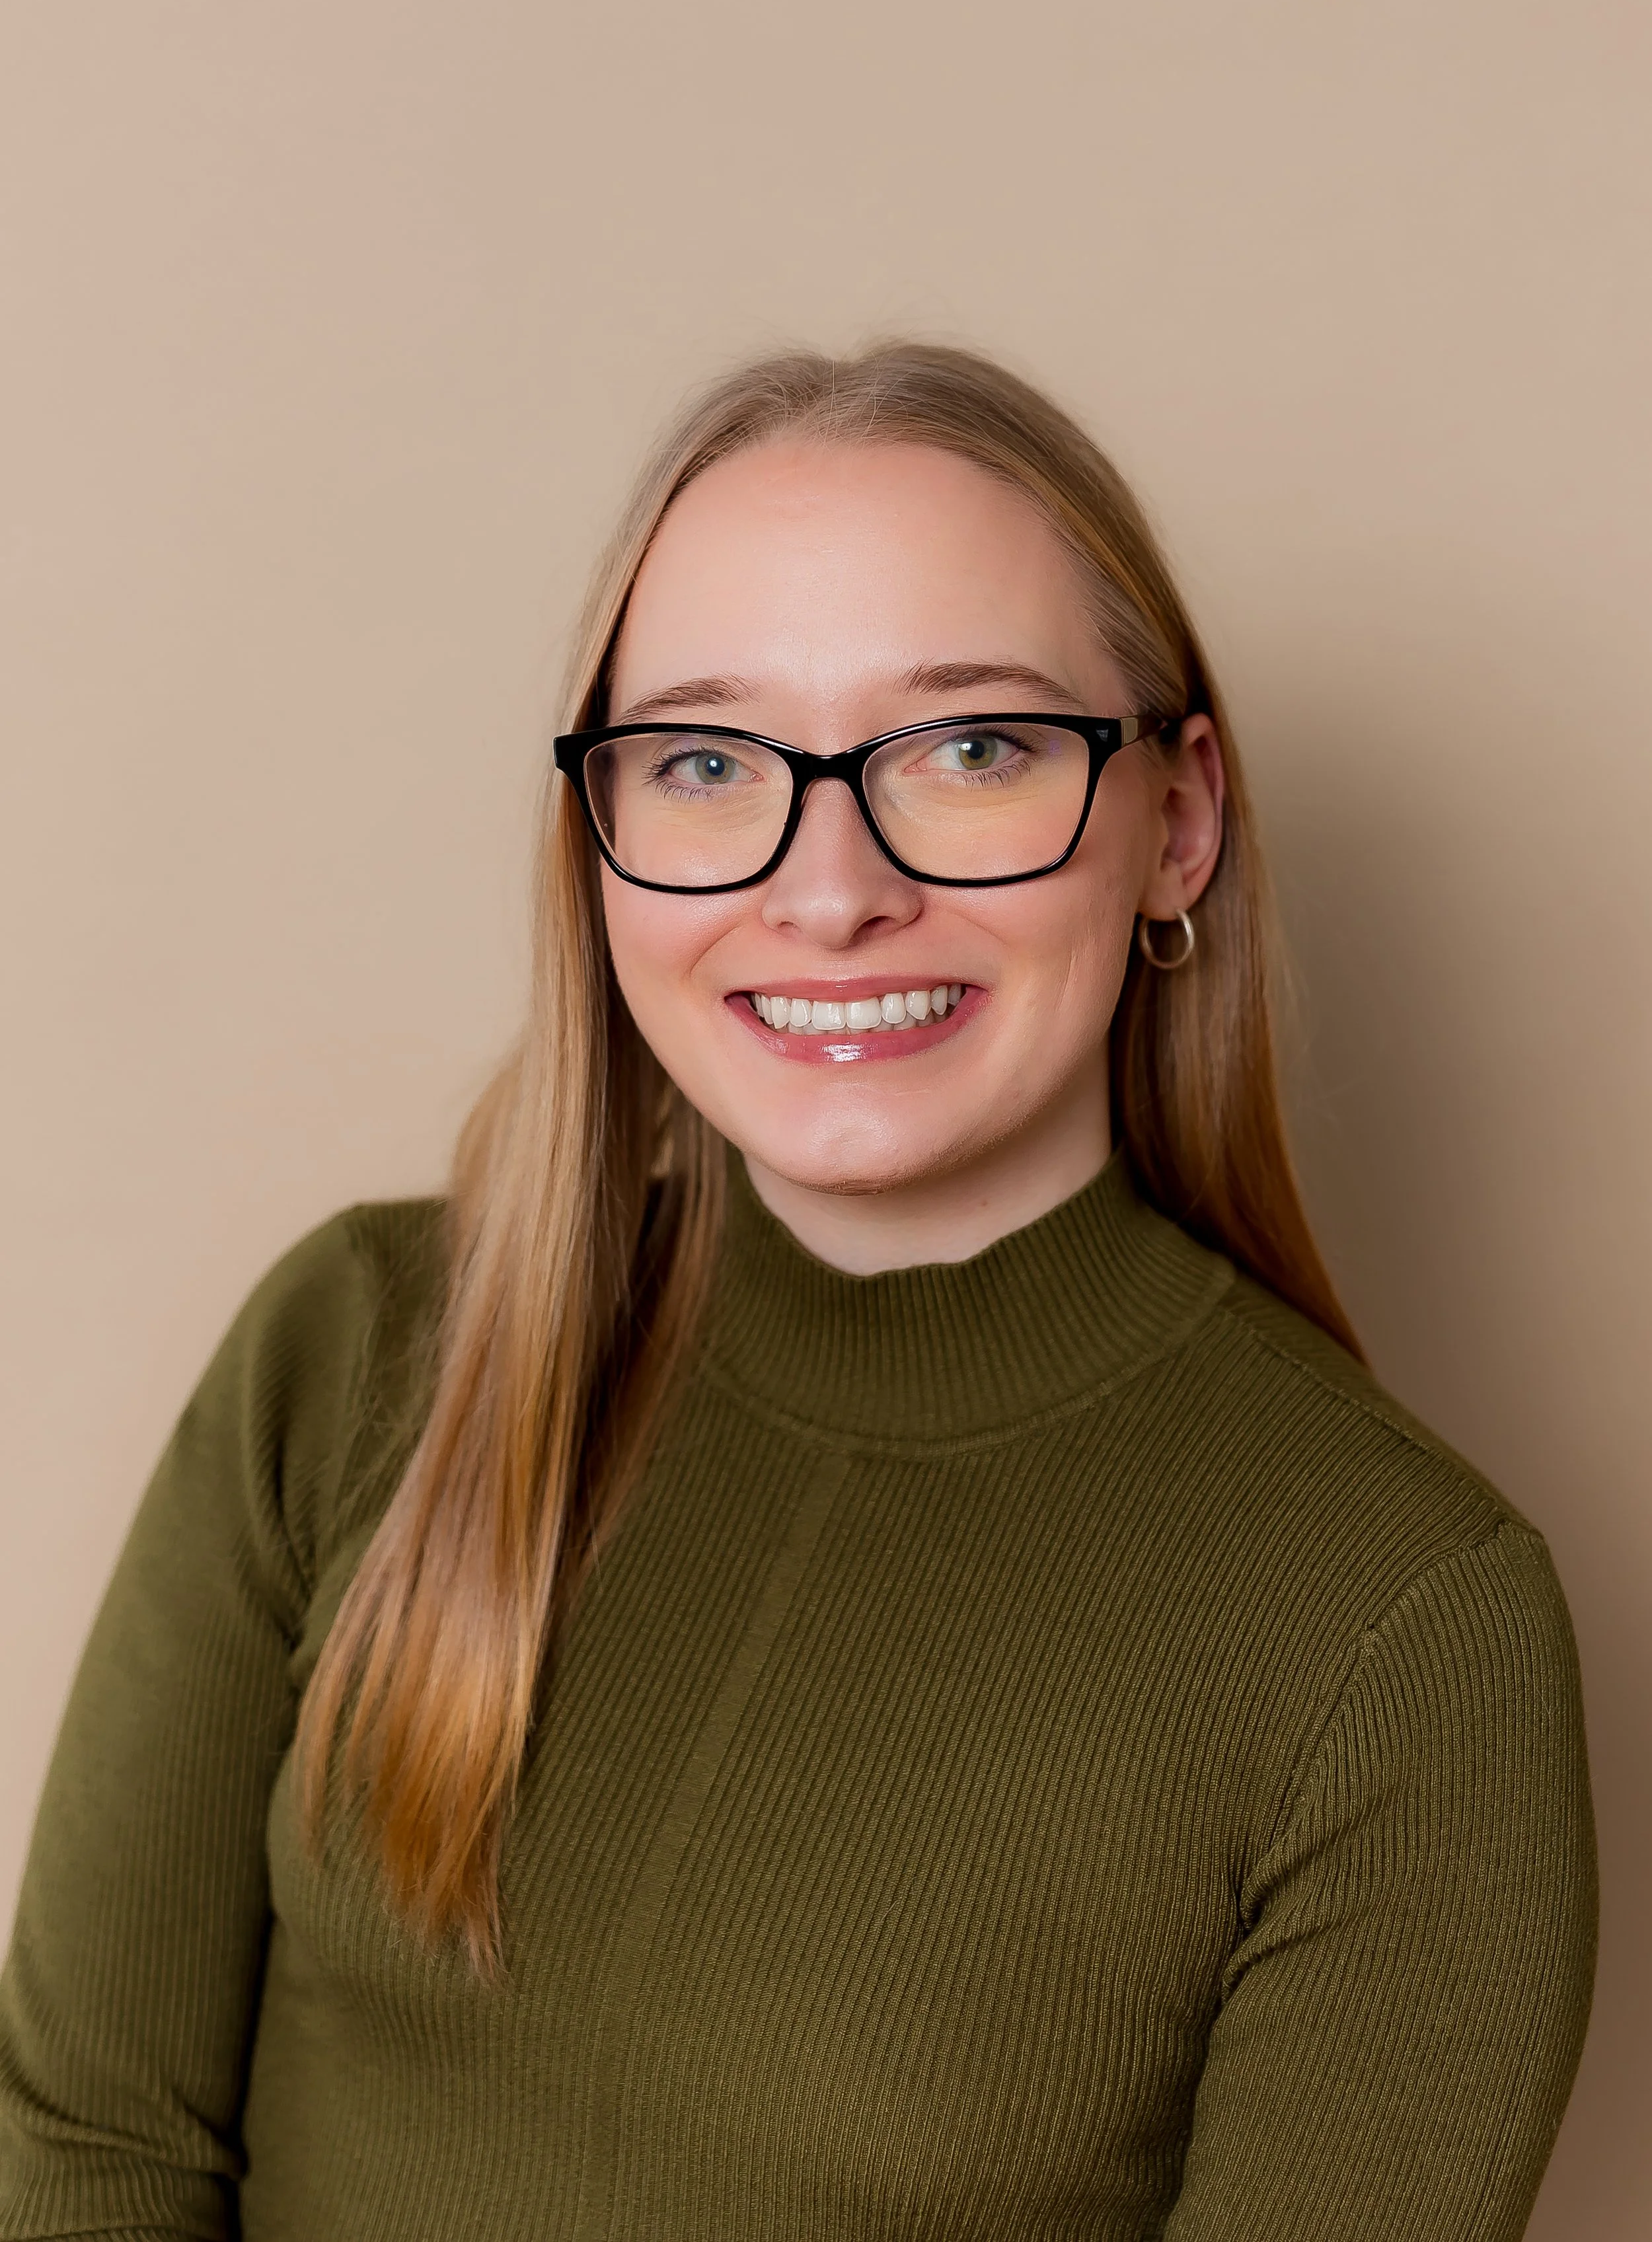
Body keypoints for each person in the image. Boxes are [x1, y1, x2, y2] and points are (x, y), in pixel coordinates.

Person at [0, 343, 1595, 2241]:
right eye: (701, 759)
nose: (827, 890)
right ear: (600, 840)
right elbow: (92, 2149)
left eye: (971, 745)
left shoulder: (1400, 1634)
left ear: (1173, 818)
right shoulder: (355, 1350)